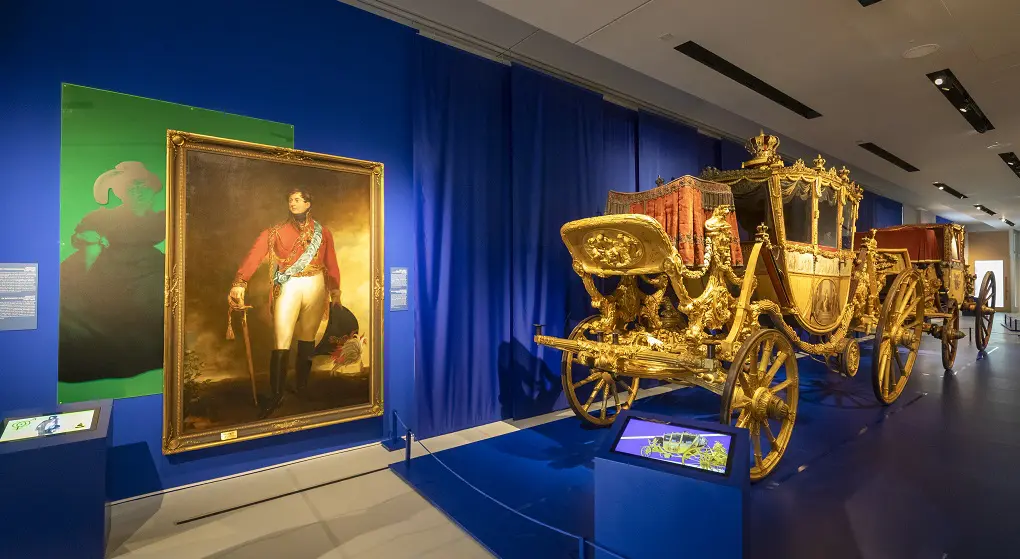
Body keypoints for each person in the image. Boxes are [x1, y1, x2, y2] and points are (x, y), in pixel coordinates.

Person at [229, 188, 341, 418]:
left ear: (309, 204)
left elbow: (331, 261)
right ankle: (277, 394)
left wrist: (336, 288)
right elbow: (254, 256)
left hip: (316, 285)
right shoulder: (274, 232)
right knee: (282, 339)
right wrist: (240, 282)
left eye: (298, 200)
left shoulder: (324, 233)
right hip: (289, 285)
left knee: (308, 337)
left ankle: (301, 388)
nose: (293, 203)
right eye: (290, 200)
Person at [59, 162, 166, 383]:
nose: (137, 192)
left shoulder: (162, 220)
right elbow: (79, 237)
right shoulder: (103, 217)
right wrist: (94, 241)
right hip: (105, 273)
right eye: (131, 187)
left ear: (152, 189)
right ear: (121, 192)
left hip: (147, 273)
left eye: (142, 185)